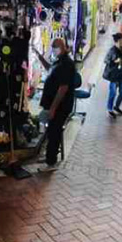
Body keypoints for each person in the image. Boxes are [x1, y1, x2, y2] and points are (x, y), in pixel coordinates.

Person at [32, 38, 76, 172]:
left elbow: (63, 88)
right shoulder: (59, 61)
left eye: (55, 47)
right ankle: (49, 157)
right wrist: (39, 56)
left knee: (54, 132)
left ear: (62, 47)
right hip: (54, 105)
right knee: (51, 131)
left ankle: (51, 162)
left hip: (61, 107)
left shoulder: (67, 64)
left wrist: (53, 108)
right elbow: (50, 69)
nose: (53, 49)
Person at [104, 33, 122, 119]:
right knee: (113, 92)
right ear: (118, 41)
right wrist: (114, 61)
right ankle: (110, 109)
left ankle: (117, 106)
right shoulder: (112, 50)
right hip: (114, 75)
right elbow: (106, 60)